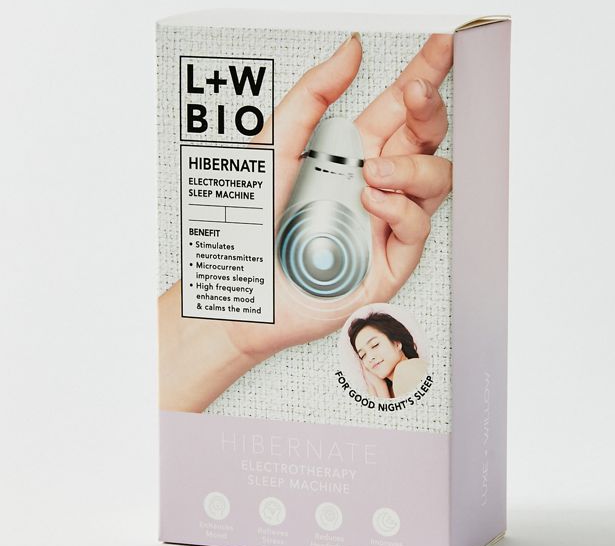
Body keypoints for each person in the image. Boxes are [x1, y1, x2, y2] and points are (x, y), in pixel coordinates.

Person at [159, 32, 453, 412]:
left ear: (399, 342)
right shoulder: (394, 380)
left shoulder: (405, 377)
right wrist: (229, 302)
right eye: (364, 354)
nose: (368, 360)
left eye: (369, 348)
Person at [348, 312, 428, 399]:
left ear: (397, 343)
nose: (370, 358)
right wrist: (380, 388)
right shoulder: (395, 385)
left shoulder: (406, 370)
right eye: (363, 355)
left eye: (375, 345)